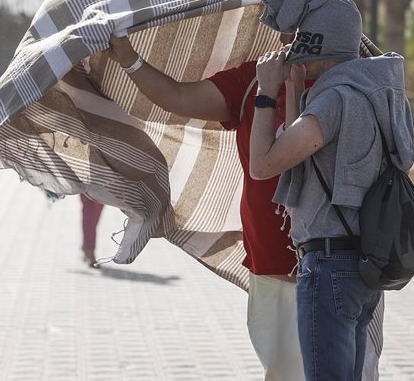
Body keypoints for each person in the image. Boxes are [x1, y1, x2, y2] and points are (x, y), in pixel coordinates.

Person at [106, 30, 310, 381]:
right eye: (283, 24)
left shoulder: (349, 78)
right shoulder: (257, 78)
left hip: (340, 263)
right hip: (273, 264)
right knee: (285, 372)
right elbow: (179, 97)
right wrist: (128, 58)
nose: (287, 34)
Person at [249, 0, 414, 380]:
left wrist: (265, 93)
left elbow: (263, 164)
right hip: (362, 263)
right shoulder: (379, 93)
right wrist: (293, 89)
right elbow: (306, 151)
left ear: (315, 43)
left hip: (328, 266)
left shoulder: (336, 99)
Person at [79, 193, 104, 268]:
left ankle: (86, 244)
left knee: (97, 208)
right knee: (90, 209)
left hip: (105, 183)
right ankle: (90, 250)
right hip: (87, 182)